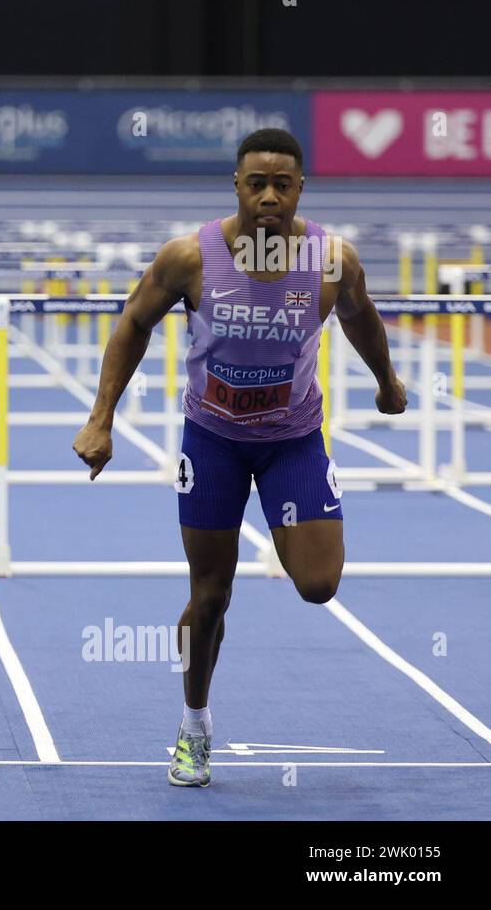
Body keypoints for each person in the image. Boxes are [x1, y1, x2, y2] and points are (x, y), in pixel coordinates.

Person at [72, 129, 406, 787]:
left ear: (301, 189)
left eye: (283, 184)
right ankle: (194, 725)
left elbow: (360, 316)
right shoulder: (188, 258)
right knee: (211, 594)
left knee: (317, 585)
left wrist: (387, 380)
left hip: (292, 440)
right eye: (256, 183)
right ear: (237, 186)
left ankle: (292, 528)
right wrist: (100, 417)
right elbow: (134, 321)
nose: (269, 197)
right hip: (214, 442)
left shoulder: (331, 260)